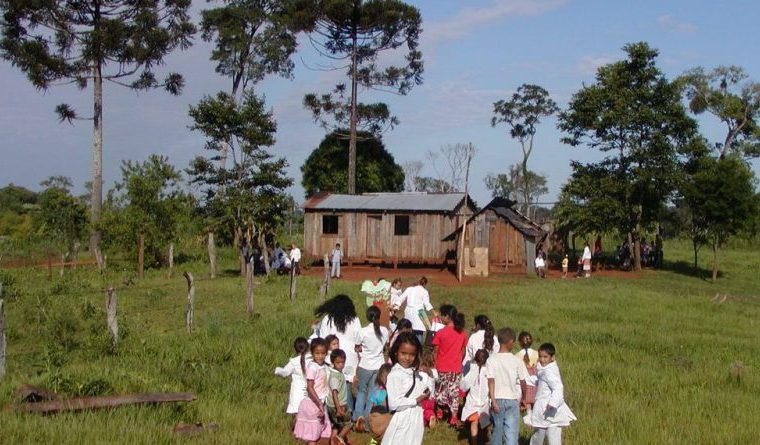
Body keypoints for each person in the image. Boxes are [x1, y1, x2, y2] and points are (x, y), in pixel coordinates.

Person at [382, 332, 433, 445]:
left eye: (412, 354)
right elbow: (393, 404)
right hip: (402, 419)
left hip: (416, 418)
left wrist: (429, 376)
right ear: (396, 352)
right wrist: (416, 400)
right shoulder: (395, 375)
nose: (407, 358)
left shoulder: (414, 373)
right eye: (403, 353)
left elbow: (427, 390)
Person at [315, 295, 363, 410]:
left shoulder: (327, 319)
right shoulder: (354, 319)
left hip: (333, 356)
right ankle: (349, 411)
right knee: (347, 385)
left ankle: (332, 411)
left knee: (332, 385)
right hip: (350, 358)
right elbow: (359, 338)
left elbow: (323, 338)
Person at [525, 343, 577, 445]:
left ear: (552, 357)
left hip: (549, 408)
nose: (542, 359)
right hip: (547, 408)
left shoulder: (549, 371)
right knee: (541, 434)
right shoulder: (544, 369)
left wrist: (553, 403)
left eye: (545, 357)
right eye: (540, 356)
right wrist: (524, 380)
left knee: (547, 434)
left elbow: (558, 387)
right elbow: (539, 381)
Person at [487, 327, 530, 445]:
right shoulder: (516, 361)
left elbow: (491, 380)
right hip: (512, 400)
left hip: (498, 400)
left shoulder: (491, 359)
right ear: (511, 341)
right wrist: (525, 399)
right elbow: (523, 383)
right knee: (511, 434)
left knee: (497, 433)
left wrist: (493, 400)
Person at [354, 306, 390, 431]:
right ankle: (368, 423)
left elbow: (357, 347)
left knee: (361, 391)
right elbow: (385, 345)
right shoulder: (384, 330)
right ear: (379, 316)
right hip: (378, 365)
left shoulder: (363, 331)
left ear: (367, 316)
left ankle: (358, 418)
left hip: (365, 365)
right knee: (372, 395)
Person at [431, 304, 468, 427]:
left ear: (447, 317)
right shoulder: (462, 333)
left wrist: (433, 363)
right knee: (453, 392)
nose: (441, 317)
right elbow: (463, 351)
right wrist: (458, 360)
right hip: (455, 368)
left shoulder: (441, 333)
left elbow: (435, 351)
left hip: (441, 367)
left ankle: (440, 412)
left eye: (442, 315)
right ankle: (453, 416)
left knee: (440, 390)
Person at [293, 338, 331, 444]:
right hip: (313, 404)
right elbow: (310, 388)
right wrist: (319, 403)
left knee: (318, 434)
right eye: (317, 353)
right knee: (313, 436)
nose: (320, 356)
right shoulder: (312, 367)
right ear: (312, 353)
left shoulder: (324, 366)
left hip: (321, 403)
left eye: (323, 353)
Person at [274, 337, 311, 416]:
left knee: (297, 416)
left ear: (295, 349)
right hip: (310, 391)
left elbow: (285, 372)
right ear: (308, 347)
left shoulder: (293, 362)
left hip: (297, 392)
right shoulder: (311, 359)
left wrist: (276, 370)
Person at [460, 349, 490, 445]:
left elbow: (464, 386)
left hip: (473, 402)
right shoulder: (489, 371)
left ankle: (474, 442)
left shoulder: (473, 370)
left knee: (474, 423)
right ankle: (484, 439)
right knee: (485, 423)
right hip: (485, 402)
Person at [396, 277, 437, 344]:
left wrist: (396, 306)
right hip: (419, 313)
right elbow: (427, 303)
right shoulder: (424, 291)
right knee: (419, 332)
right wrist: (433, 311)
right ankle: (419, 349)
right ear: (424, 284)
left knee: (408, 330)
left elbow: (401, 298)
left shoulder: (409, 289)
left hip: (408, 312)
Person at [326, 349, 354, 445]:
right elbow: (334, 393)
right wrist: (338, 408)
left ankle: (333, 441)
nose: (341, 365)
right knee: (349, 423)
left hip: (333, 405)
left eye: (342, 362)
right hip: (338, 405)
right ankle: (340, 438)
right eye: (338, 362)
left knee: (336, 425)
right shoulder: (335, 377)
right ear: (333, 362)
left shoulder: (338, 373)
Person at [515, 331, 539, 418]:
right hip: (536, 381)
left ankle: (528, 415)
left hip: (524, 381)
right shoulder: (537, 354)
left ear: (519, 342)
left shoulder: (516, 356)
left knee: (527, 401)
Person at [418, 350, 438, 428]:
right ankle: (431, 416)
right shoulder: (434, 371)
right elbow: (436, 379)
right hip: (431, 398)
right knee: (429, 410)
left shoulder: (421, 373)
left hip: (423, 397)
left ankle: (424, 422)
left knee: (422, 411)